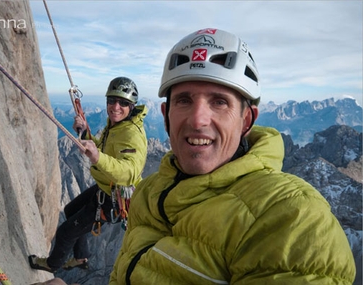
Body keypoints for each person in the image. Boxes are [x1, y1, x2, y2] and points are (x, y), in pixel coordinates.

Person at [110, 28, 356, 284]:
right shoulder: (147, 192)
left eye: (219, 102)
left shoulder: (291, 215)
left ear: (246, 120)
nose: (198, 119)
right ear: (165, 115)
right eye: (184, 100)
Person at [29, 76, 148, 273]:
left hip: (114, 198)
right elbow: (100, 148)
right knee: (70, 210)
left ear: (132, 106)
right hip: (105, 187)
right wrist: (84, 133)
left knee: (65, 232)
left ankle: (52, 265)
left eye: (123, 103)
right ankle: (81, 257)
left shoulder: (131, 134)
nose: (115, 106)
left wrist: (97, 157)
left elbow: (129, 172)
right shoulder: (116, 125)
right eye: (112, 100)